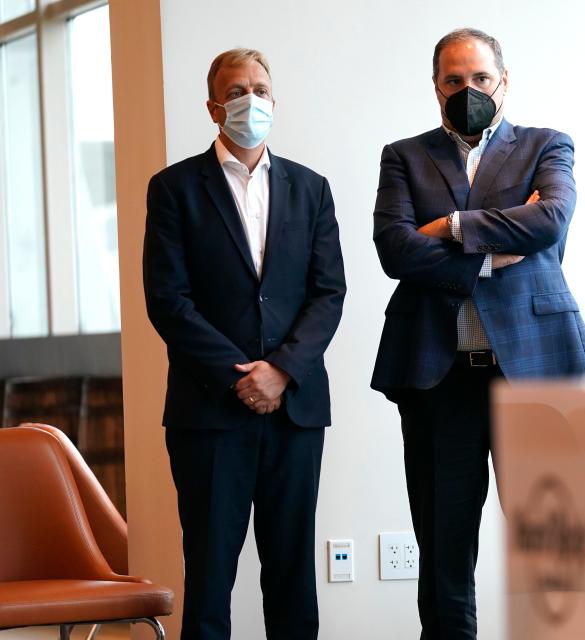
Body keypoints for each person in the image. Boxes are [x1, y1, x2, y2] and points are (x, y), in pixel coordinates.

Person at [371, 27, 585, 640]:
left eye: (478, 78)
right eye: (452, 80)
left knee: (556, 543)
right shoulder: (404, 156)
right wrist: (491, 251)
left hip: (538, 369)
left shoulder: (548, 145)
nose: (466, 90)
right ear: (436, 88)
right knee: (445, 549)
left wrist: (445, 225)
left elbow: (548, 220)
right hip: (441, 374)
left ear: (504, 81)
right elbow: (395, 249)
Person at [143, 48, 346, 640]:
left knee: (291, 580)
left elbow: (328, 293)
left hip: (296, 411)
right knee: (209, 582)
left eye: (260, 89)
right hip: (209, 414)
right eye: (236, 92)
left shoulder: (312, 189)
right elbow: (168, 300)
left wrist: (280, 372)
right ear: (213, 107)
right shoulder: (174, 188)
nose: (249, 101)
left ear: (274, 103)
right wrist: (241, 375)